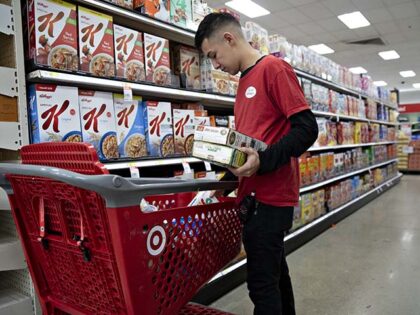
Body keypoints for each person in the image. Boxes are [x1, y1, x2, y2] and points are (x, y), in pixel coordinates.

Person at [195, 13, 319, 315]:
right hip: (252, 197)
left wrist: (263, 161)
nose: (215, 65)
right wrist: (223, 178)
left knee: (261, 284)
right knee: (276, 276)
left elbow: (306, 128)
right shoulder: (244, 81)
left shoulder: (274, 69)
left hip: (270, 199)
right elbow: (252, 144)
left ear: (229, 38)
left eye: (213, 55)